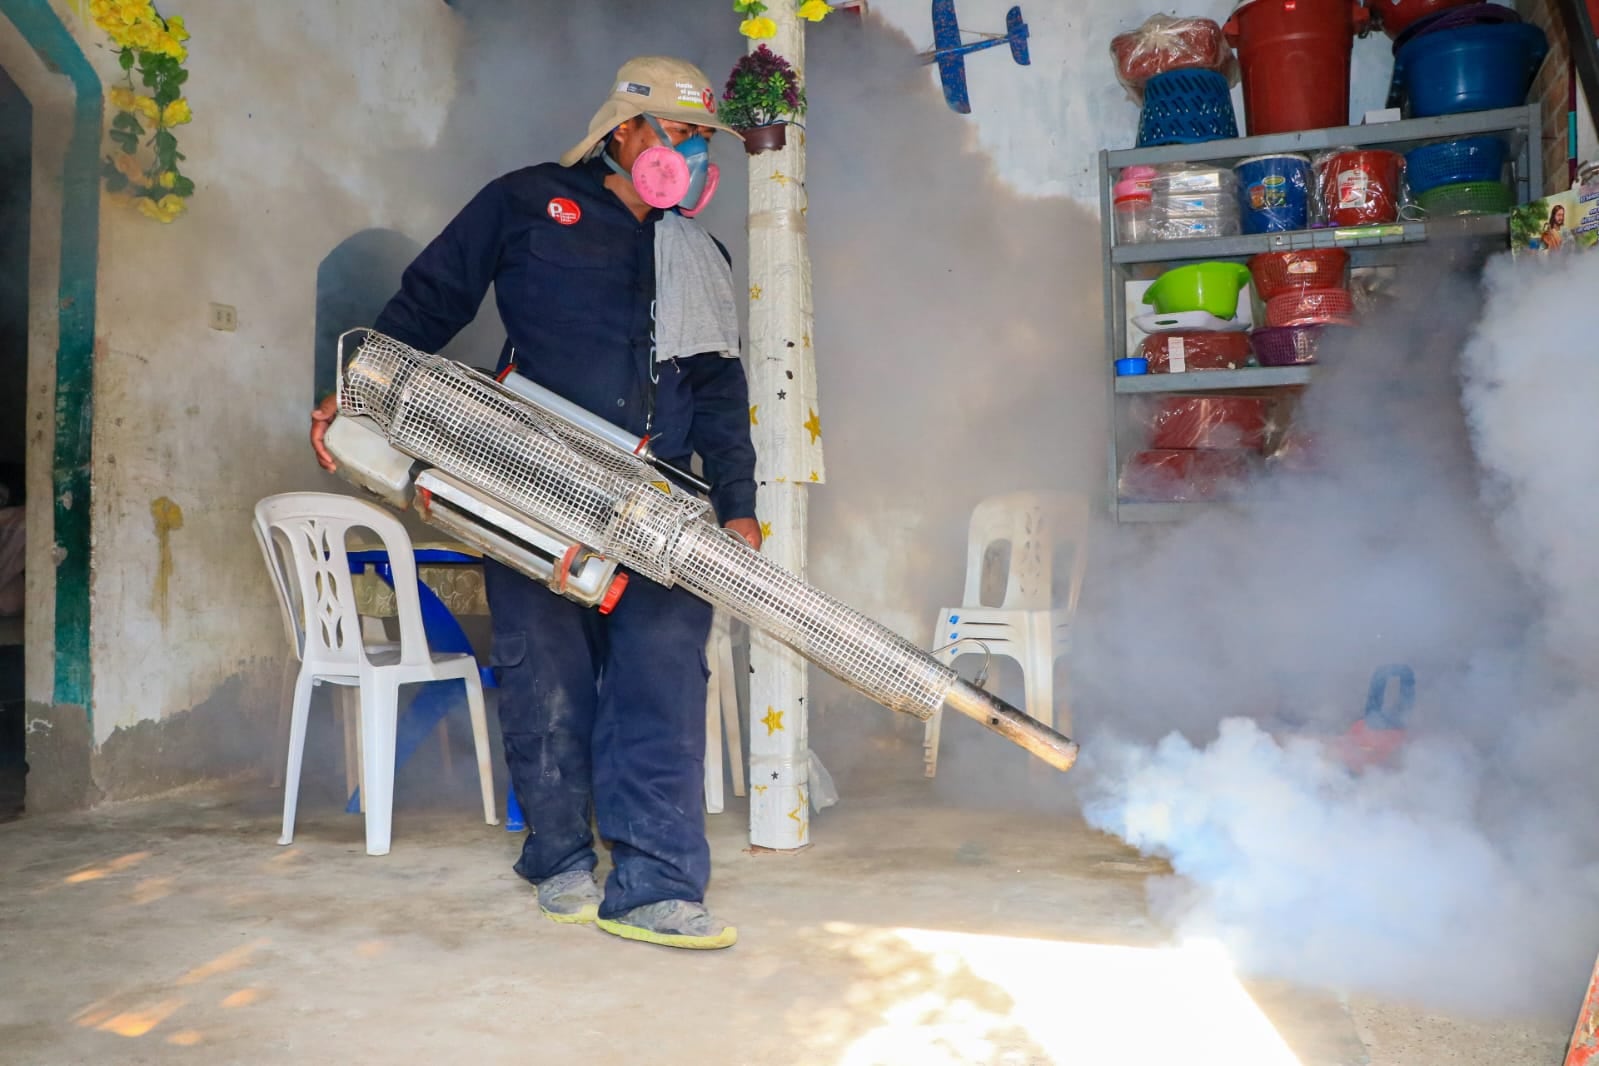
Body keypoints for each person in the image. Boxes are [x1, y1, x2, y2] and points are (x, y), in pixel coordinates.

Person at [309, 56, 760, 950]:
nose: (694, 154)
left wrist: (737, 502)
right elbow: (433, 298)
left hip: (658, 500)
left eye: (704, 140)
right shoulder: (526, 203)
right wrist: (361, 386)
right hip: (528, 478)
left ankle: (657, 883)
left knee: (662, 675)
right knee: (543, 670)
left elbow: (716, 385)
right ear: (622, 128)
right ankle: (558, 858)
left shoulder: (696, 251)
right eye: (680, 132)